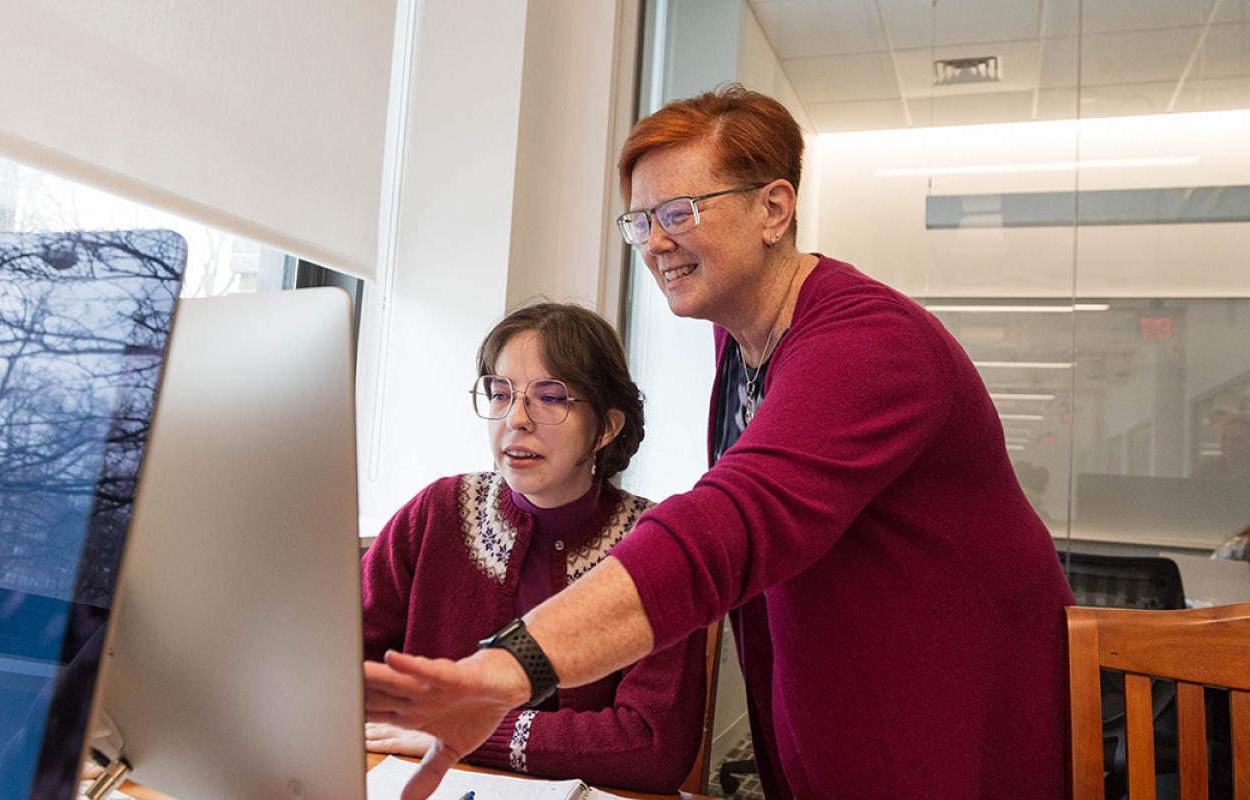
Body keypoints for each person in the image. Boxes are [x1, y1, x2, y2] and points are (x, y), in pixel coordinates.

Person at [366, 85, 1076, 800]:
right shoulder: (742, 344)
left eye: (680, 212)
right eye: (640, 221)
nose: (656, 243)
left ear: (774, 208)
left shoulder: (869, 342)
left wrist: (503, 671)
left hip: (947, 704)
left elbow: (732, 521)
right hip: (838, 700)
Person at [360, 302, 706, 794]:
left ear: (606, 427)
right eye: (500, 394)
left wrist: (465, 730)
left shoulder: (656, 542)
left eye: (550, 398)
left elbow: (652, 747)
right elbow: (343, 663)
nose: (515, 419)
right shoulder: (438, 510)